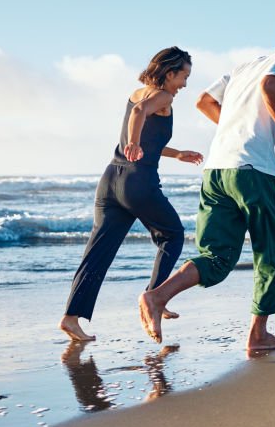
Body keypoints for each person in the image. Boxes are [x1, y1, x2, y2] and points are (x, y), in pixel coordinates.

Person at [138, 22, 275, 353]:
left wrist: (238, 126)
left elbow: (204, 101)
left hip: (217, 170)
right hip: (254, 171)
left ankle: (157, 295)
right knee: (271, 251)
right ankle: (259, 335)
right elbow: (270, 84)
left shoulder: (243, 66)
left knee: (216, 256)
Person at [59, 47, 203, 342]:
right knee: (172, 235)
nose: (185, 84)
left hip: (111, 179)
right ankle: (155, 298)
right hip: (138, 181)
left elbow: (141, 128)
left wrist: (177, 154)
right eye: (184, 76)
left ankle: (70, 318)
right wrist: (136, 143)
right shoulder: (164, 96)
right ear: (170, 71)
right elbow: (139, 118)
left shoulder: (139, 92)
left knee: (98, 253)